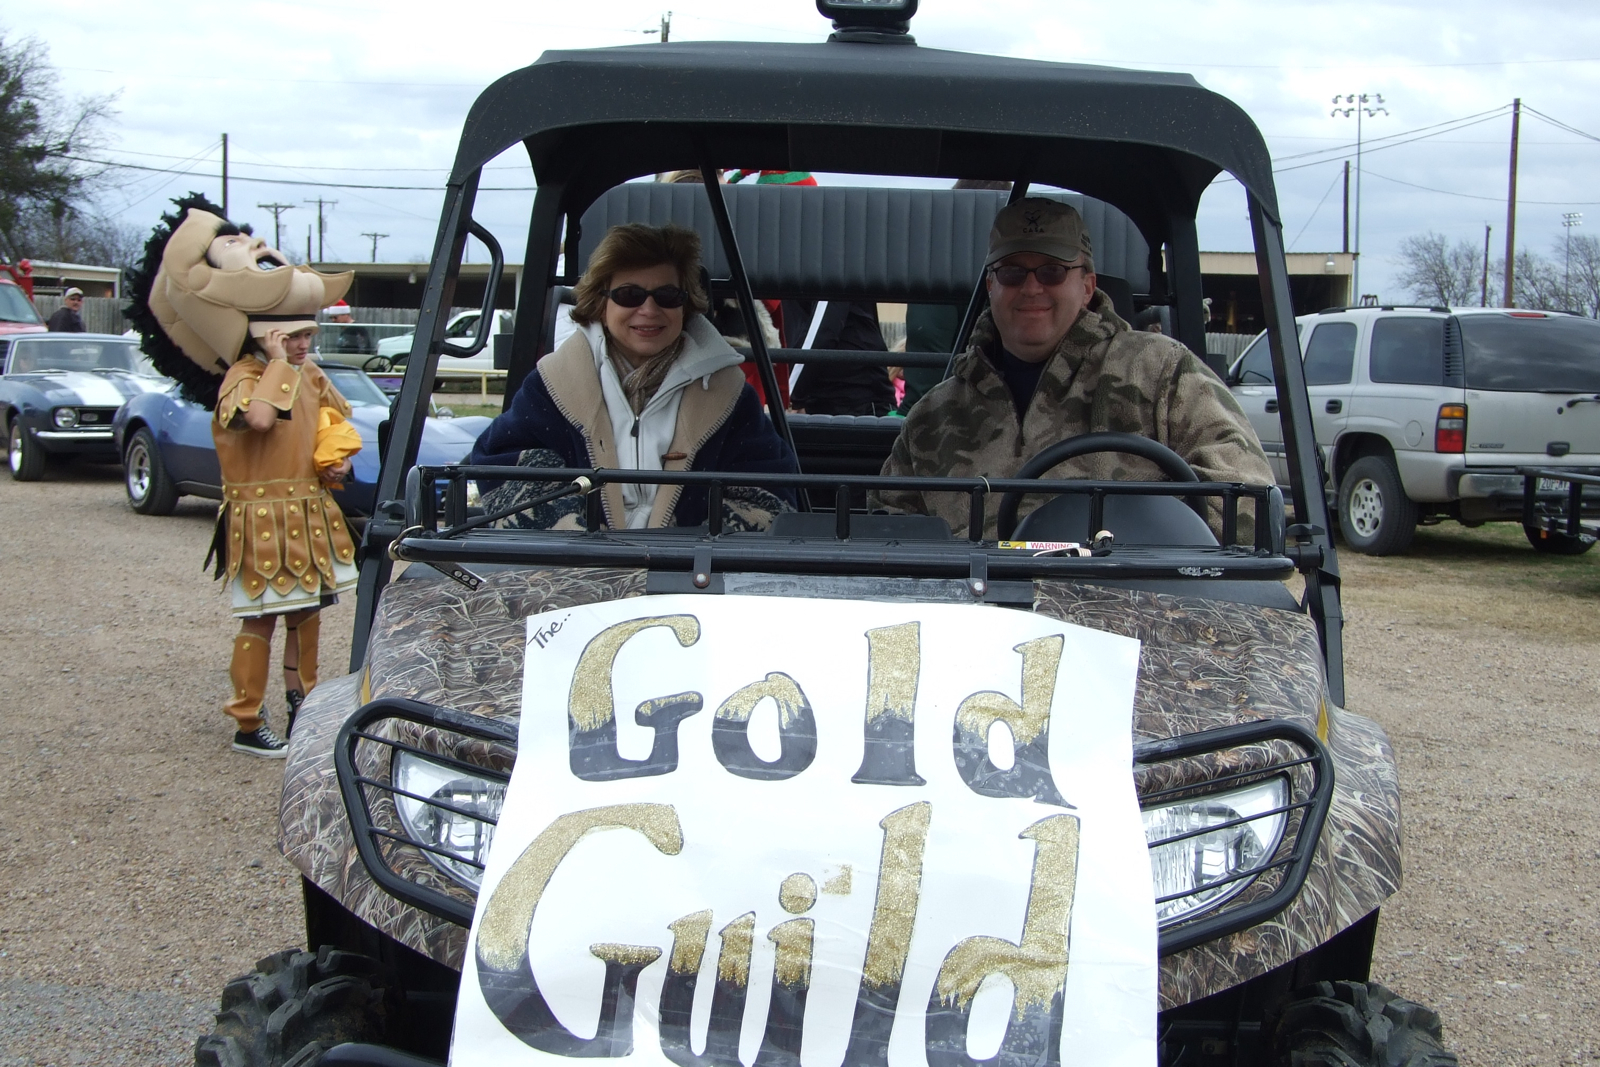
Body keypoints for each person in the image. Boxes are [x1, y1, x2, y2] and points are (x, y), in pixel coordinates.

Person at [874, 197, 1272, 539]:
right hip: (975, 604)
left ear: (1087, 286)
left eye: (1052, 271)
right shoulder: (932, 419)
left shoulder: (1163, 374)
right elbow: (886, 534)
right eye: (1012, 272)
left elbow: (1249, 504)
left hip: (1126, 601)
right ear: (991, 286)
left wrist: (1133, 541)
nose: (1032, 288)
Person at [125, 194, 358, 758]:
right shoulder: (243, 377)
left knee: (306, 616)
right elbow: (258, 420)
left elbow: (331, 420)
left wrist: (336, 457)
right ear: (263, 333)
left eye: (307, 334)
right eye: (292, 335)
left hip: (308, 509)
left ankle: (303, 705)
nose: (303, 344)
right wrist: (277, 362)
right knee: (262, 620)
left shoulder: (308, 374)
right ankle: (248, 722)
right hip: (261, 517)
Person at [469, 222, 798, 531]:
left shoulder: (728, 394)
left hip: (689, 566)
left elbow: (768, 489)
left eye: (667, 296)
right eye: (629, 295)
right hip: (579, 562)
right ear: (601, 302)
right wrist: (574, 539)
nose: (649, 310)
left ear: (685, 306)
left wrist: (693, 548)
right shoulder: (556, 384)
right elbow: (505, 460)